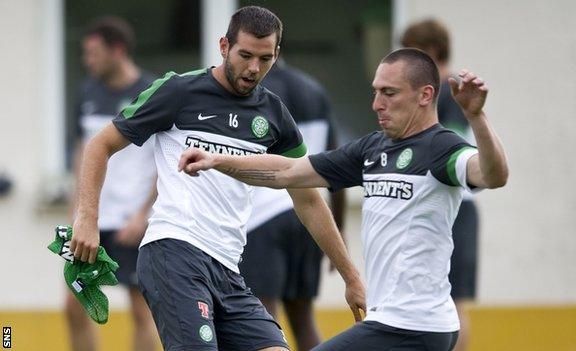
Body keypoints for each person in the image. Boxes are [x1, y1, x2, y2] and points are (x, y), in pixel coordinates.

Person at [70, 6, 366, 351]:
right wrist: (87, 218)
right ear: (224, 46)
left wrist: (352, 276)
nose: (254, 68)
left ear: (277, 55)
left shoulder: (274, 113)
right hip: (174, 254)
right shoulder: (178, 91)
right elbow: (99, 145)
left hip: (228, 268)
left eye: (265, 58)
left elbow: (309, 198)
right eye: (245, 55)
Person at [178, 48, 509, 351]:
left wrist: (477, 118)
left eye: (389, 93)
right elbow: (287, 172)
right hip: (396, 324)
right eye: (376, 92)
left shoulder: (442, 148)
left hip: (412, 325)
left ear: (425, 95)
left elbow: (493, 175)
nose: (377, 103)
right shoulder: (373, 149)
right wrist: (217, 160)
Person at [240, 59, 345, 351]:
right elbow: (335, 165)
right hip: (309, 216)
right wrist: (337, 230)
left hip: (262, 217)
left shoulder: (255, 91)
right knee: (303, 320)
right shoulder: (315, 89)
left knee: (263, 322)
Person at [67, 17, 158, 351]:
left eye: (92, 52)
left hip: (133, 221)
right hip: (91, 219)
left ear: (117, 50)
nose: (86, 60)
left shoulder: (152, 93)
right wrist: (76, 210)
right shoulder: (86, 93)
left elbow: (167, 164)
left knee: (142, 311)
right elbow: (81, 153)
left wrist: (144, 214)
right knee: (74, 305)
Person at [401, 19, 480, 351]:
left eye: (412, 54)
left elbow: (449, 152)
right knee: (445, 303)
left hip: (454, 209)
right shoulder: (446, 90)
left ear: (431, 51)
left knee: (452, 304)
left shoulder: (445, 92)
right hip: (453, 209)